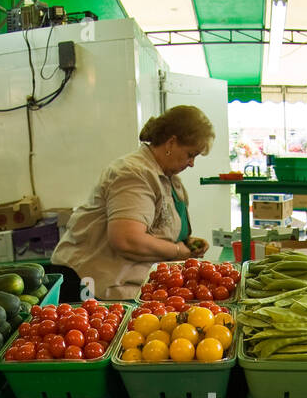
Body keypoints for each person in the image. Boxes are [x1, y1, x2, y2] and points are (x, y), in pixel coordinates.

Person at [51, 105, 213, 301]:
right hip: (90, 283)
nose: (192, 163)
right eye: (190, 154)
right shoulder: (133, 173)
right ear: (171, 142)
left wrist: (188, 243)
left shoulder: (169, 179)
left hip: (122, 282)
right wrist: (179, 251)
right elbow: (127, 239)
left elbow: (156, 229)